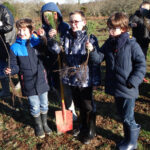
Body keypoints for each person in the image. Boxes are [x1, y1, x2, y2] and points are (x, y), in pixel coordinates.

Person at [91, 12, 146, 149]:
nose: (110, 31)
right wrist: (92, 50)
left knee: (128, 117)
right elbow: (98, 59)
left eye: (113, 28)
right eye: (109, 28)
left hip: (128, 88)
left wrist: (132, 81)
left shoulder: (131, 44)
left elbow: (141, 65)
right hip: (116, 87)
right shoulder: (109, 43)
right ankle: (127, 139)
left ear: (123, 28)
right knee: (122, 115)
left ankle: (132, 143)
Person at [48, 10, 103, 144]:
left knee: (87, 105)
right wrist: (52, 39)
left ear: (84, 22)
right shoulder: (65, 36)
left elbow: (97, 61)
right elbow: (56, 51)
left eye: (76, 21)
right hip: (71, 77)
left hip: (85, 79)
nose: (73, 24)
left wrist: (93, 50)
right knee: (78, 103)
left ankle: (90, 129)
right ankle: (83, 125)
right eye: (71, 21)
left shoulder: (90, 37)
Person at [5, 18, 52, 138]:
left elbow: (46, 49)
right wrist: (11, 70)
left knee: (44, 104)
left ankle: (45, 124)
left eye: (24, 30)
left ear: (31, 31)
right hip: (27, 82)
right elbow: (15, 65)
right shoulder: (14, 48)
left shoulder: (36, 43)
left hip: (41, 80)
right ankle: (38, 126)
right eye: (19, 30)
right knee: (34, 105)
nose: (21, 32)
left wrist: (43, 37)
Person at [40, 2, 77, 120]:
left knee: (66, 87)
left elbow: (69, 43)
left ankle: (72, 110)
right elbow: (43, 48)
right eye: (45, 16)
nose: (48, 18)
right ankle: (63, 107)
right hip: (52, 64)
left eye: (52, 15)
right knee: (56, 86)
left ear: (57, 15)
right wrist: (45, 38)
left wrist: (58, 37)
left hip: (64, 62)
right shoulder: (44, 29)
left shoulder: (65, 27)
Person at [129, 1, 150, 83]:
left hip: (145, 41)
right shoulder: (135, 16)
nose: (146, 10)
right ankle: (133, 74)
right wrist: (132, 25)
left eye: (148, 9)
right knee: (134, 58)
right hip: (136, 41)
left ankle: (141, 76)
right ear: (140, 8)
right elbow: (129, 23)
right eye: (144, 8)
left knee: (143, 59)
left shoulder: (148, 17)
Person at [0, 4, 16, 98]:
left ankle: (22, 86)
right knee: (1, 65)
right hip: (0, 44)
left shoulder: (3, 10)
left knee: (14, 64)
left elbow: (9, 26)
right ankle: (6, 91)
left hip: (8, 42)